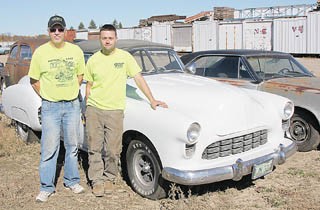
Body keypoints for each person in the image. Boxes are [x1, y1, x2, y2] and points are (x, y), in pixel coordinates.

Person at [84, 24, 168, 197]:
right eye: (104, 38)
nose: (107, 41)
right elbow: (89, 85)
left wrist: (152, 99)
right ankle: (97, 181)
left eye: (110, 38)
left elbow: (138, 78)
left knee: (113, 150)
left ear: (116, 39)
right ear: (100, 39)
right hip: (94, 109)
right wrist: (87, 107)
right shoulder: (93, 59)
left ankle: (109, 178)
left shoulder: (125, 57)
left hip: (115, 110)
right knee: (94, 147)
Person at [28, 15, 86, 202]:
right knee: (49, 148)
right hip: (50, 107)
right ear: (49, 31)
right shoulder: (40, 52)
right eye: (53, 29)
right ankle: (46, 187)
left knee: (72, 146)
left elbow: (80, 75)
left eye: (60, 29)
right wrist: (47, 97)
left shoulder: (75, 51)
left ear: (65, 31)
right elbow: (34, 80)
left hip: (72, 105)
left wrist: (69, 92)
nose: (57, 33)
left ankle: (71, 181)